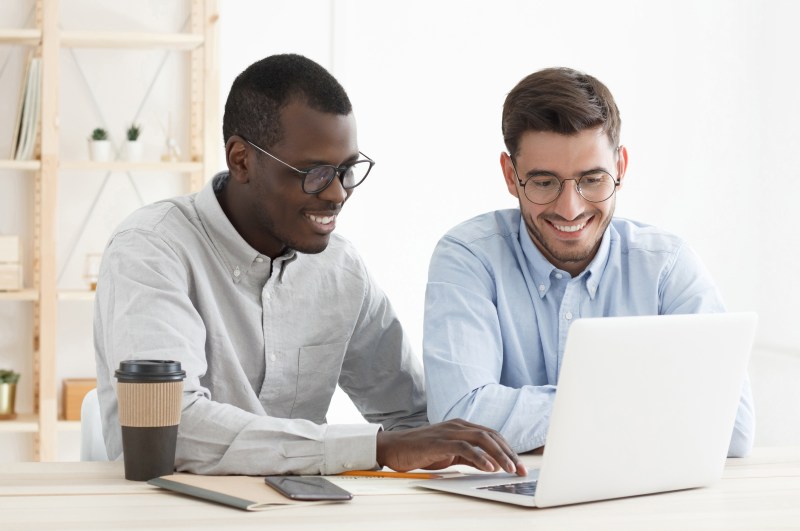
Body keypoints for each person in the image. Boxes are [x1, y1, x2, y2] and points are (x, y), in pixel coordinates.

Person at [94, 54, 525, 477]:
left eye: (347, 170)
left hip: (300, 515)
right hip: (170, 517)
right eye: (315, 173)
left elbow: (411, 417)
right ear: (241, 160)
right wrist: (375, 448)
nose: (338, 193)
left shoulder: (340, 269)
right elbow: (175, 428)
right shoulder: (151, 250)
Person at [422, 67, 754, 458]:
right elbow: (460, 418)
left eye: (593, 179)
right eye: (544, 182)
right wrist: (647, 406)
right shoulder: (469, 257)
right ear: (511, 176)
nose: (570, 208)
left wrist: (539, 417)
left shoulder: (666, 266)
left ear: (621, 167)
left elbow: (731, 427)